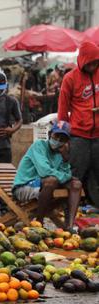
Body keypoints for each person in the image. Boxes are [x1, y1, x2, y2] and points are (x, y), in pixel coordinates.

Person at [13, 121, 82, 229]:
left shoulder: (61, 153)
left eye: (62, 139)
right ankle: (38, 223)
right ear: (50, 134)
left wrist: (65, 159)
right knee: (52, 181)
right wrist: (67, 177)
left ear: (67, 142)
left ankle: (70, 226)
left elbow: (64, 175)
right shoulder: (39, 145)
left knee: (76, 184)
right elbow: (45, 172)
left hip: (44, 187)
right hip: (24, 187)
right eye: (56, 136)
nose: (58, 141)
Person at [58, 41, 99, 207]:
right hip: (78, 136)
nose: (94, 66)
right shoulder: (70, 78)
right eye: (91, 63)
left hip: (98, 136)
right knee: (76, 174)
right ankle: (71, 209)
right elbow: (62, 110)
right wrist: (63, 138)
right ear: (83, 61)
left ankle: (95, 207)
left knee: (97, 174)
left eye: (96, 62)